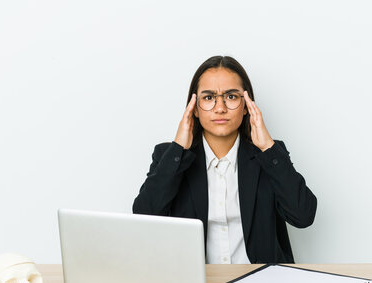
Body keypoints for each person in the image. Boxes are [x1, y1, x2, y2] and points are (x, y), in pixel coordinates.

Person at [133, 55, 317, 264]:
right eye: (209, 98)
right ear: (194, 107)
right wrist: (178, 150)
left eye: (231, 97)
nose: (220, 108)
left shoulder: (269, 155)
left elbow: (303, 216)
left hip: (263, 282)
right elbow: (144, 218)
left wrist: (268, 148)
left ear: (246, 105)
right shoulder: (169, 157)